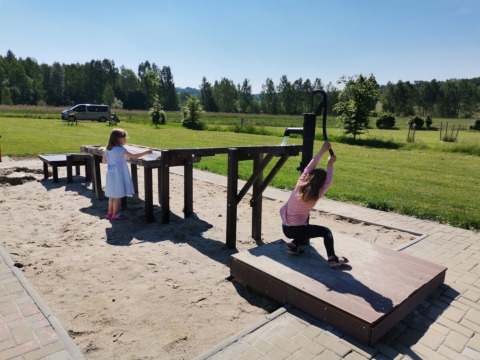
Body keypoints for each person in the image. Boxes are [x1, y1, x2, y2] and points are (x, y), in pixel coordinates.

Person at [279, 141, 348, 268]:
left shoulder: (299, 186)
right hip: (297, 229)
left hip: (286, 228)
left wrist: (322, 151)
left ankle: (293, 246)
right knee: (325, 232)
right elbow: (329, 181)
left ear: (309, 178)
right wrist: (330, 165)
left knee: (305, 229)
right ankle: (332, 258)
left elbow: (308, 168)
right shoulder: (318, 194)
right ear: (321, 185)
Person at [102, 128, 153, 220]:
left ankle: (109, 213)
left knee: (112, 195)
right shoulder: (120, 149)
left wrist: (113, 161)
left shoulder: (108, 149)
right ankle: (115, 214)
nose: (125, 140)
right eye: (123, 138)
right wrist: (146, 152)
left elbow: (104, 161)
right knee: (118, 195)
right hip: (118, 174)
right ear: (117, 139)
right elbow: (134, 156)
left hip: (111, 173)